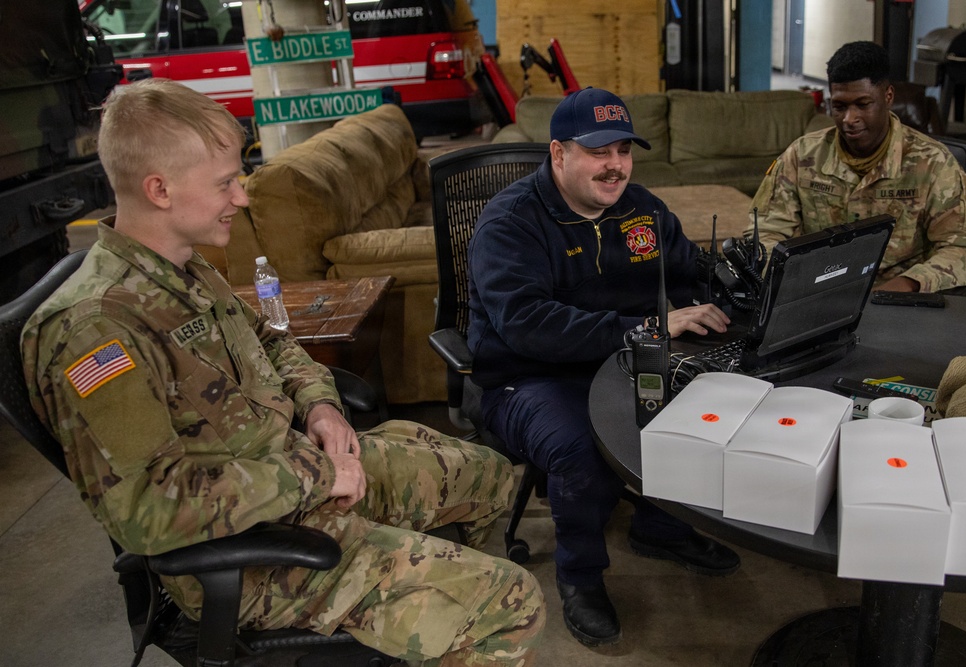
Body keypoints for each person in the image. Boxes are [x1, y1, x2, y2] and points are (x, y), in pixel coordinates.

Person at [20, 78, 544, 667]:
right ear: (159, 190)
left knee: (488, 476)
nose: (241, 197)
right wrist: (316, 475)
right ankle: (446, 610)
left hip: (294, 479)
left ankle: (427, 612)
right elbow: (149, 509)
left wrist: (319, 405)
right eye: (224, 183)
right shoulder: (94, 329)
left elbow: (275, 342)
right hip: (247, 553)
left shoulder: (188, 270)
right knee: (511, 601)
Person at [466, 87, 740, 647]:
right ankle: (580, 576)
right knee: (585, 446)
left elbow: (691, 275)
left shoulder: (643, 209)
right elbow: (528, 325)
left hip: (626, 358)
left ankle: (661, 526)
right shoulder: (510, 223)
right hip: (528, 376)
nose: (615, 166)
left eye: (623, 150)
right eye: (598, 151)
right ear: (559, 154)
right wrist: (651, 328)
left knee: (708, 405)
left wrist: (738, 288)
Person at [748, 41, 966, 293]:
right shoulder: (802, 156)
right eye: (840, 106)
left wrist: (911, 283)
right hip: (816, 293)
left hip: (899, 302)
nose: (849, 119)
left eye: (863, 105)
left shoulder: (932, 162)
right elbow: (764, 233)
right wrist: (792, 281)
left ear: (888, 96)